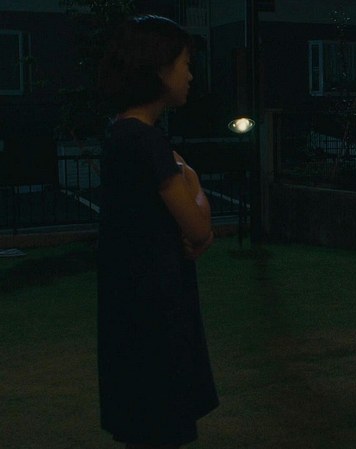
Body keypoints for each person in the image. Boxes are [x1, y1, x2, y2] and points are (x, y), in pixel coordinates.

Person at [96, 15, 218, 449]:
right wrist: (195, 181)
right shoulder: (147, 142)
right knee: (162, 425)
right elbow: (198, 227)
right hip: (157, 311)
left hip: (130, 306)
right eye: (184, 64)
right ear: (160, 69)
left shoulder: (120, 135)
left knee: (144, 426)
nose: (190, 75)